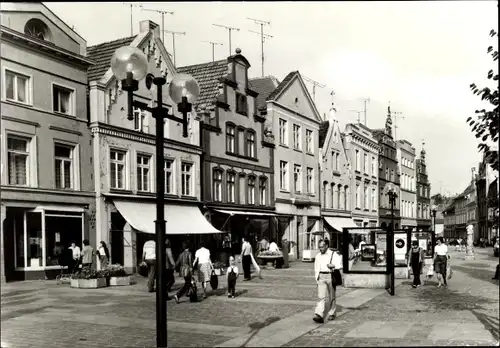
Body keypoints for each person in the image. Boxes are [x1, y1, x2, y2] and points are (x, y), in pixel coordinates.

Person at [313, 240, 341, 323]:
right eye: (319, 247)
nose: (320, 249)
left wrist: (333, 266)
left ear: (326, 246)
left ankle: (332, 313)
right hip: (321, 276)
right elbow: (316, 267)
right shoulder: (318, 256)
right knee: (320, 296)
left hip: (330, 276)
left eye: (322, 247)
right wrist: (317, 277)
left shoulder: (333, 254)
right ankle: (319, 314)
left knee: (331, 296)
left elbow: (339, 265)